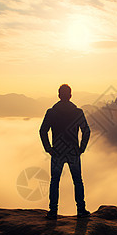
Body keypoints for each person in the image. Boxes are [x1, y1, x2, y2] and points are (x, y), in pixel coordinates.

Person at [39, 84, 91, 220]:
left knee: (54, 181)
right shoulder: (77, 112)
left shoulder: (51, 112)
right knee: (78, 181)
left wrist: (49, 148)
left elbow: (43, 131)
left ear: (58, 95)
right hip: (73, 151)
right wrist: (81, 148)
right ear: (70, 95)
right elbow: (86, 130)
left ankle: (53, 211)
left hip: (57, 151)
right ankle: (81, 210)